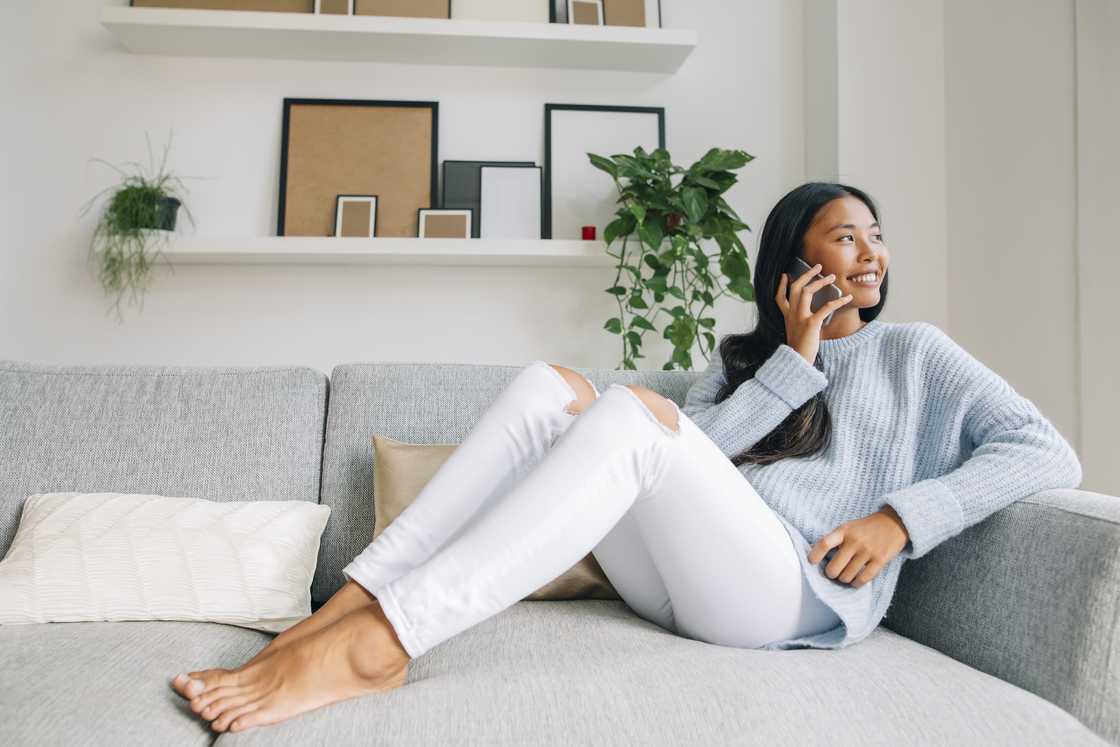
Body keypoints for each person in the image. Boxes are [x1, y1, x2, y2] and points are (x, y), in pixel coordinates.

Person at [169, 182, 1083, 734]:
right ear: (793, 262)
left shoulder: (916, 353)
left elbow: (1046, 450)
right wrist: (792, 367)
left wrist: (900, 520)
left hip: (793, 594)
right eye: (847, 235)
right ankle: (358, 601)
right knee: (548, 385)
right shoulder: (741, 368)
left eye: (877, 234)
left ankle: (389, 640)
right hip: (683, 585)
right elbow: (698, 463)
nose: (872, 250)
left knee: (633, 415)